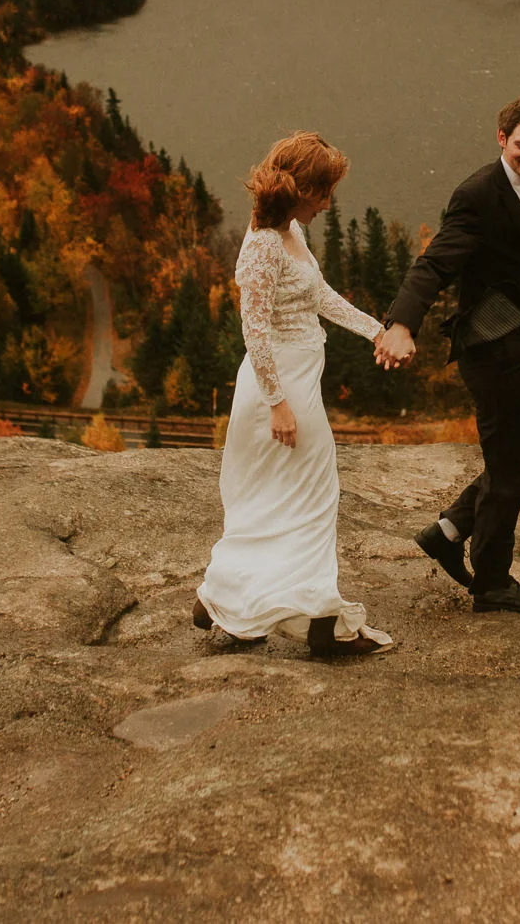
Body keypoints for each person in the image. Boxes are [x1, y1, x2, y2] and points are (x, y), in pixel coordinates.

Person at [375, 94, 520, 615]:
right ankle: (491, 582)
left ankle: (449, 531)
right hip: (489, 347)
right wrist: (400, 324)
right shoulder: (478, 196)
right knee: (512, 462)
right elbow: (433, 264)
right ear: (501, 139)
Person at [194, 131, 393, 657]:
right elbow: (253, 328)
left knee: (271, 501)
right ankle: (320, 623)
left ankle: (223, 593)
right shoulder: (262, 243)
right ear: (302, 187)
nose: (329, 203)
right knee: (312, 497)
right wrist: (278, 404)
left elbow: (320, 296)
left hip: (298, 378)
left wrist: (377, 330)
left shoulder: (290, 232)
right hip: (278, 388)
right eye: (323, 192)